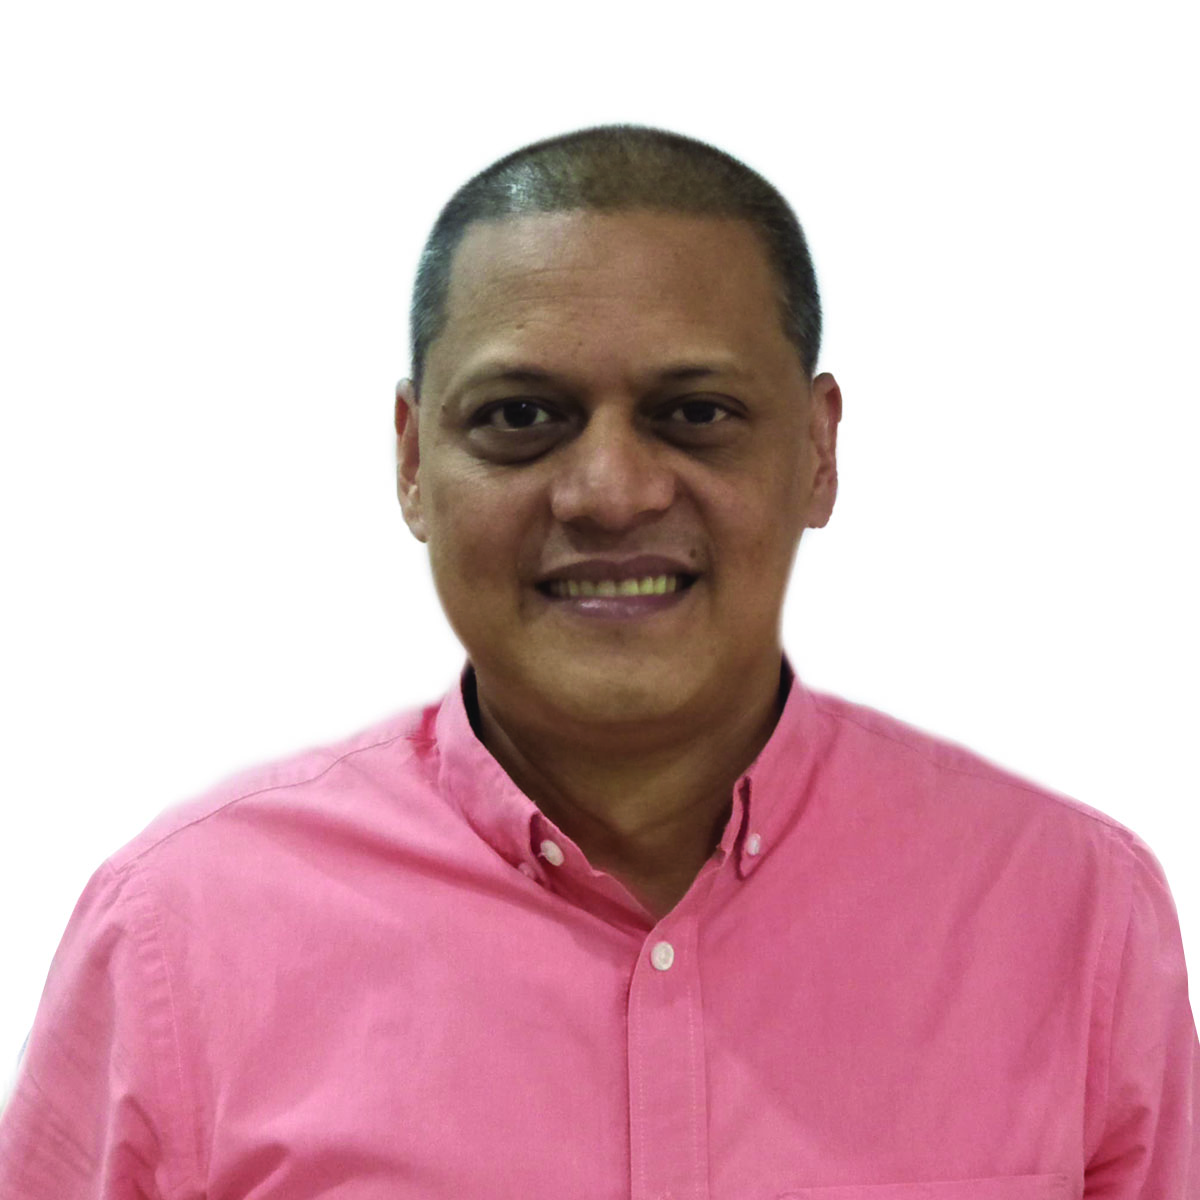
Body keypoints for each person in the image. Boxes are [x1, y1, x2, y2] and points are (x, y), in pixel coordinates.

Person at [0, 123, 1195, 1198]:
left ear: (819, 451)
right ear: (412, 461)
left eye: (697, 412)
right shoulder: (178, 936)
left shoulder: (1072, 915)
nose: (612, 493)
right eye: (522, 416)